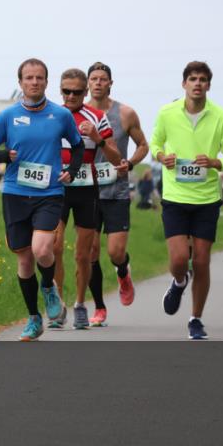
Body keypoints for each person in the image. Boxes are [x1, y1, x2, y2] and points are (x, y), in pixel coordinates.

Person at [0, 58, 85, 341]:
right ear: (21, 82)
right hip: (15, 193)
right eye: (29, 78)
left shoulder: (60, 115)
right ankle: (33, 318)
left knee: (42, 250)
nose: (34, 82)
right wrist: (3, 156)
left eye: (39, 77)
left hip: (49, 194)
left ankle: (48, 287)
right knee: (24, 259)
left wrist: (71, 172)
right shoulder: (8, 116)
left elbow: (77, 147)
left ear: (46, 82)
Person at [149, 61, 223, 340]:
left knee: (201, 261)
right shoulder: (167, 113)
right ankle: (179, 281)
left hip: (206, 198)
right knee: (179, 259)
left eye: (202, 79)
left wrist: (215, 161)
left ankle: (195, 319)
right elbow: (154, 145)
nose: (197, 83)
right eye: (193, 79)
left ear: (209, 86)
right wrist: (161, 156)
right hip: (176, 196)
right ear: (184, 84)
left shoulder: (220, 116)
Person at [50, 68, 122, 329]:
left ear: (85, 91)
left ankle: (81, 304)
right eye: (66, 91)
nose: (71, 96)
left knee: (83, 255)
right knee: (54, 248)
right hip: (57, 189)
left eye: (77, 92)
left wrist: (96, 138)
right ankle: (57, 306)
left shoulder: (98, 117)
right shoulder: (52, 115)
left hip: (86, 190)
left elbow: (116, 159)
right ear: (60, 90)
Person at [85, 62, 150, 324]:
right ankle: (99, 307)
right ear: (88, 83)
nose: (98, 83)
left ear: (111, 83)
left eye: (103, 79)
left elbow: (143, 145)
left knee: (114, 252)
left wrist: (131, 163)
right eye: (94, 78)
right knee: (90, 253)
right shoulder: (77, 113)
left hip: (116, 190)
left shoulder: (125, 113)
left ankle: (123, 272)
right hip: (86, 191)